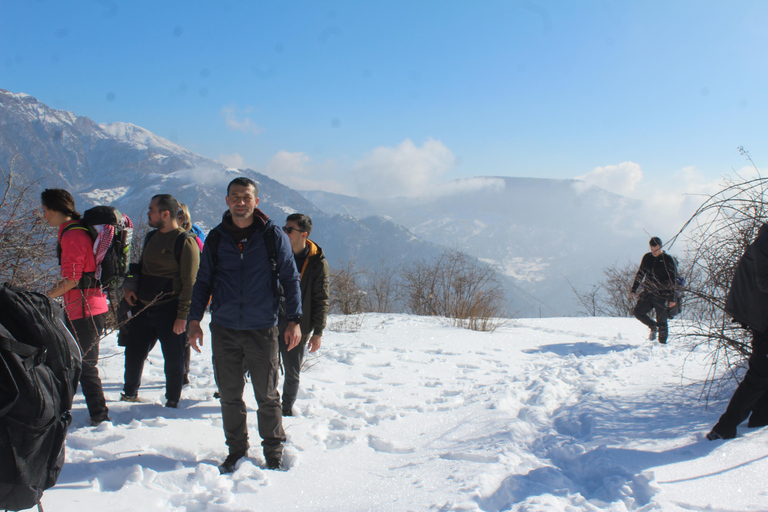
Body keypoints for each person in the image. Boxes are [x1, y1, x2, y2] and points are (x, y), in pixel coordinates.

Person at [187, 177, 302, 473]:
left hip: (262, 327)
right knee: (229, 395)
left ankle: (274, 452)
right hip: (224, 327)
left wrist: (294, 320)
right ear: (227, 201)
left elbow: (290, 278)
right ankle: (236, 451)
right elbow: (203, 282)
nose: (240, 202)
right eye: (235, 197)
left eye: (246, 197)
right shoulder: (216, 237)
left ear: (256, 201)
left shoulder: (272, 236)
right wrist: (194, 319)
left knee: (267, 395)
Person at [121, 194, 200, 408]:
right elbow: (140, 267)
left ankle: (172, 402)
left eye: (151, 210)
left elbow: (190, 282)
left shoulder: (186, 242)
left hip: (170, 309)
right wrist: (129, 287)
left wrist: (183, 316)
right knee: (133, 354)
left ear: (165, 214)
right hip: (143, 306)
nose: (148, 213)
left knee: (174, 359)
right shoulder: (151, 237)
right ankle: (129, 394)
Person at [41, 188, 110, 426]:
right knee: (74, 362)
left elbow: (72, 279)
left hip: (85, 308)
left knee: (85, 366)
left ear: (54, 209)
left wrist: (44, 297)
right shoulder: (76, 230)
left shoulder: (71, 236)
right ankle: (75, 412)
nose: (44, 216)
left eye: (45, 210)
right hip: (85, 307)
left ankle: (100, 417)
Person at [707, 224, 768, 440]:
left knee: (764, 372)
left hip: (762, 314)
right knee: (760, 373)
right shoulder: (766, 241)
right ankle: (724, 428)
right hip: (762, 317)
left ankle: (760, 421)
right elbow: (763, 281)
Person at [279, 213, 330, 417]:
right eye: (285, 228)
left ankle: (285, 408)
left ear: (304, 234)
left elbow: (321, 298)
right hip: (272, 320)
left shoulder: (317, 262)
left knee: (292, 371)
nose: (285, 232)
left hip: (300, 324)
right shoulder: (277, 253)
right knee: (267, 366)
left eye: (290, 230)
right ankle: (269, 404)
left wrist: (318, 331)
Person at [630, 237, 677, 344]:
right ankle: (653, 326)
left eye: (656, 250)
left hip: (662, 294)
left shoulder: (668, 259)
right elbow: (640, 274)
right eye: (652, 249)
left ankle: (662, 345)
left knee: (662, 320)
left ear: (660, 247)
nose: (654, 252)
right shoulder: (647, 257)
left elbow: (673, 279)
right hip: (648, 292)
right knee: (638, 312)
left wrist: (672, 298)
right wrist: (634, 290)